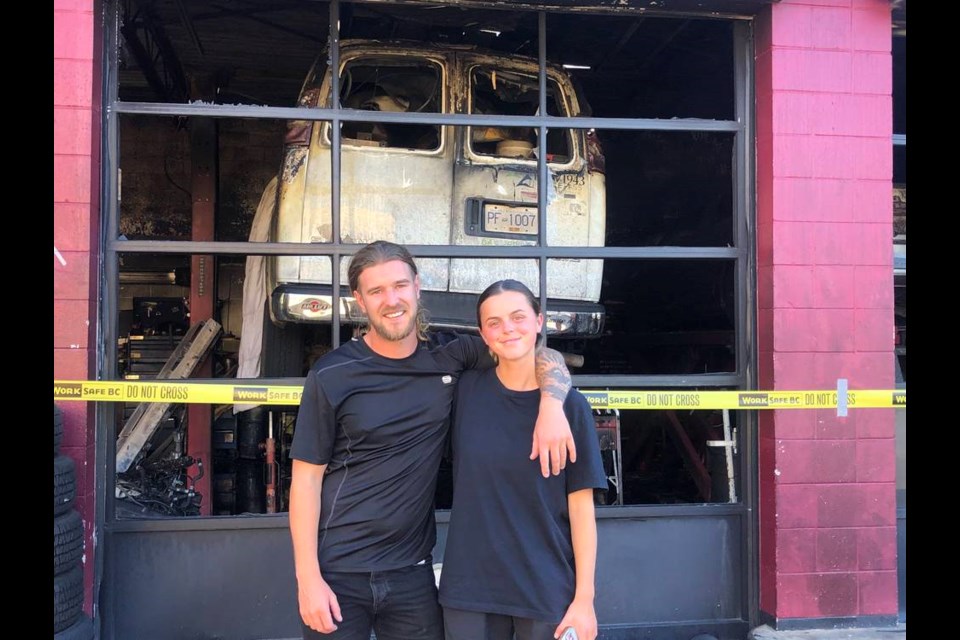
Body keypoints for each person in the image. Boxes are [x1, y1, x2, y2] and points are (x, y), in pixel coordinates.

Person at [289, 241, 578, 640]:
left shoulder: (451, 354)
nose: (391, 300)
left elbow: (534, 350)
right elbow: (305, 479)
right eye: (376, 291)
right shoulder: (332, 374)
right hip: (339, 573)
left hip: (413, 572)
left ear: (417, 286)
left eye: (399, 285)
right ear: (359, 299)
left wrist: (551, 402)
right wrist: (308, 579)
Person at [439, 279, 607, 640]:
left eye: (518, 317)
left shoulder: (570, 408)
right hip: (470, 589)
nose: (507, 329)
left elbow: (581, 512)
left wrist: (585, 599)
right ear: (482, 334)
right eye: (494, 322)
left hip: (544, 588)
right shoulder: (463, 392)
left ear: (538, 322)